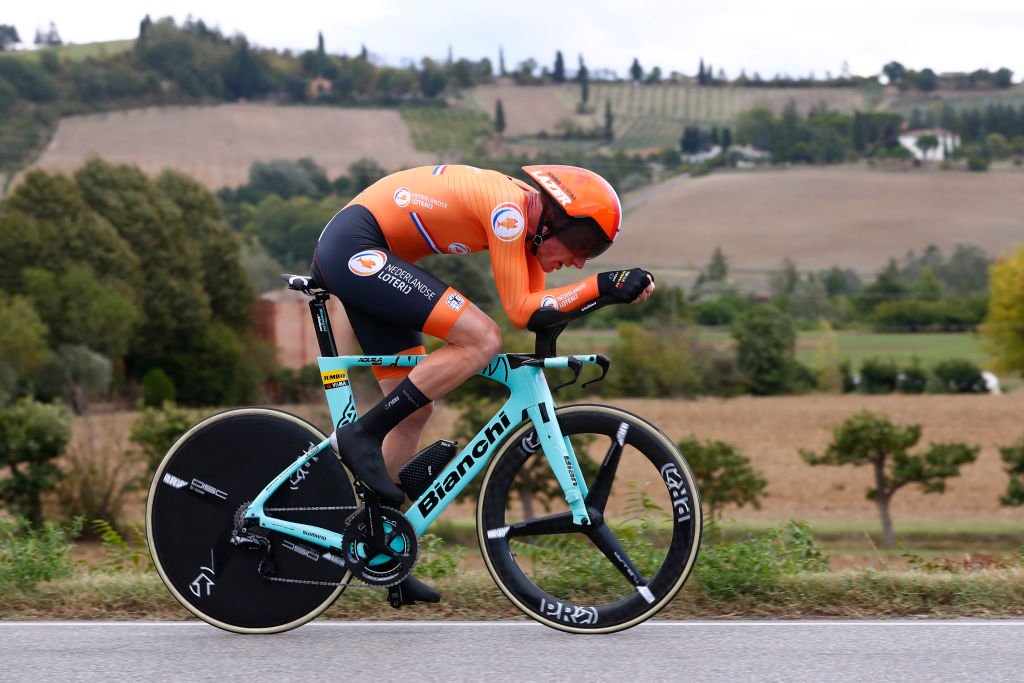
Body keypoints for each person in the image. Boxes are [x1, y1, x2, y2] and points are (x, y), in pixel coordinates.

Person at [309, 164, 654, 603]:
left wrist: (603, 291)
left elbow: (541, 310)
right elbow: (519, 313)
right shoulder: (510, 212)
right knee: (482, 338)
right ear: (553, 221)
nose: (581, 260)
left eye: (595, 254)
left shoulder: (532, 226)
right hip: (356, 248)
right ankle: (362, 435)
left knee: (413, 411)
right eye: (582, 244)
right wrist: (603, 285)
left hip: (375, 256)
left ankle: (382, 555)